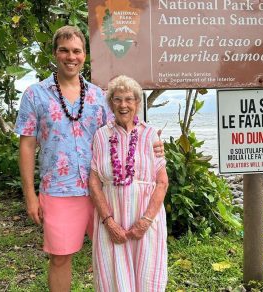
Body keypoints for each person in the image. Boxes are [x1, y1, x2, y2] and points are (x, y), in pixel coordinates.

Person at [15, 26, 163, 291]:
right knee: (60, 259)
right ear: (54, 53)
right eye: (64, 50)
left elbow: (124, 128)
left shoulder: (98, 96)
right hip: (60, 191)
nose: (70, 57)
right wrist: (30, 195)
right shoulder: (35, 94)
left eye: (76, 51)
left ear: (85, 55)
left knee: (116, 255)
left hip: (106, 193)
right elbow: (26, 146)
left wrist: (154, 145)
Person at [89, 75, 169, 292]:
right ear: (110, 104)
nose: (123, 105)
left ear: (136, 103)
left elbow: (162, 182)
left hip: (146, 220)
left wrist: (145, 221)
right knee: (112, 280)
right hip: (111, 220)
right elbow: (94, 182)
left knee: (148, 278)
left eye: (129, 99)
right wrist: (109, 221)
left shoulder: (151, 135)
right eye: (117, 99)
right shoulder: (100, 136)